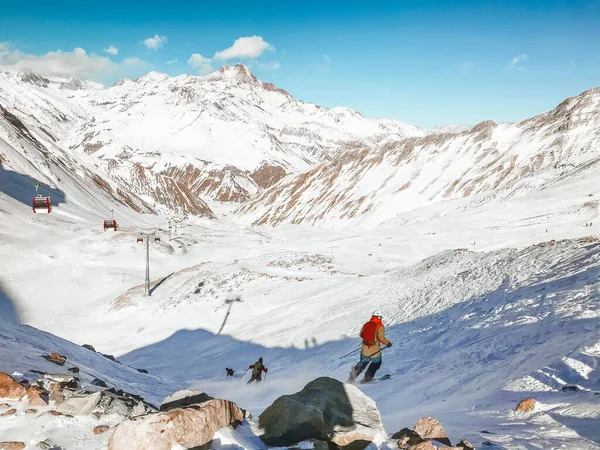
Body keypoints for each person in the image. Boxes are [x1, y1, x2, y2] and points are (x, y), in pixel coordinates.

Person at [348, 311, 391, 383]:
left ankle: (351, 378)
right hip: (374, 350)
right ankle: (368, 378)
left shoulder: (366, 324)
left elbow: (361, 334)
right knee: (376, 363)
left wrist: (367, 340)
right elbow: (381, 338)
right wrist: (388, 343)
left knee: (363, 363)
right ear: (379, 317)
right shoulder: (379, 326)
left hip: (364, 349)